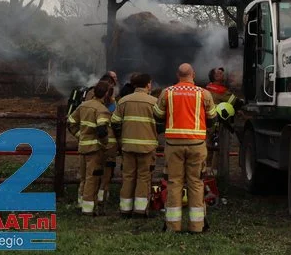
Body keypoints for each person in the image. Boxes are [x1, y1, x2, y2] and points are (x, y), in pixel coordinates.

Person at [153, 63, 216, 233]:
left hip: (173, 145)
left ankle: (173, 226)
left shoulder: (167, 92)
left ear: (177, 75)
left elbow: (157, 115)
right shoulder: (203, 93)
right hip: (197, 145)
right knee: (196, 183)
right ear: (193, 74)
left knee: (174, 183)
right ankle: (197, 226)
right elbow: (212, 118)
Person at [111, 72, 159, 218]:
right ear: (148, 84)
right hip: (147, 147)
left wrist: (121, 138)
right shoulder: (154, 102)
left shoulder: (123, 101)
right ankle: (140, 210)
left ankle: (125, 210)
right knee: (144, 178)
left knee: (128, 177)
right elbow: (161, 123)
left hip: (127, 146)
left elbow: (115, 122)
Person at [67, 79, 116, 216]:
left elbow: (71, 123)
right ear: (106, 94)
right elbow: (102, 130)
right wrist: (104, 144)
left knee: (84, 177)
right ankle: (88, 210)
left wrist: (80, 136)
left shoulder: (84, 105)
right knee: (92, 178)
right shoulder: (102, 110)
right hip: (94, 150)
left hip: (83, 147)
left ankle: (81, 203)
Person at [204, 67, 243, 174]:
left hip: (206, 124)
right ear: (215, 77)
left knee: (208, 148)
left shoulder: (207, 88)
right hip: (218, 126)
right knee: (219, 149)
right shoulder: (221, 91)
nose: (223, 74)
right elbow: (236, 102)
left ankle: (206, 172)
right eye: (220, 73)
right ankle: (215, 174)